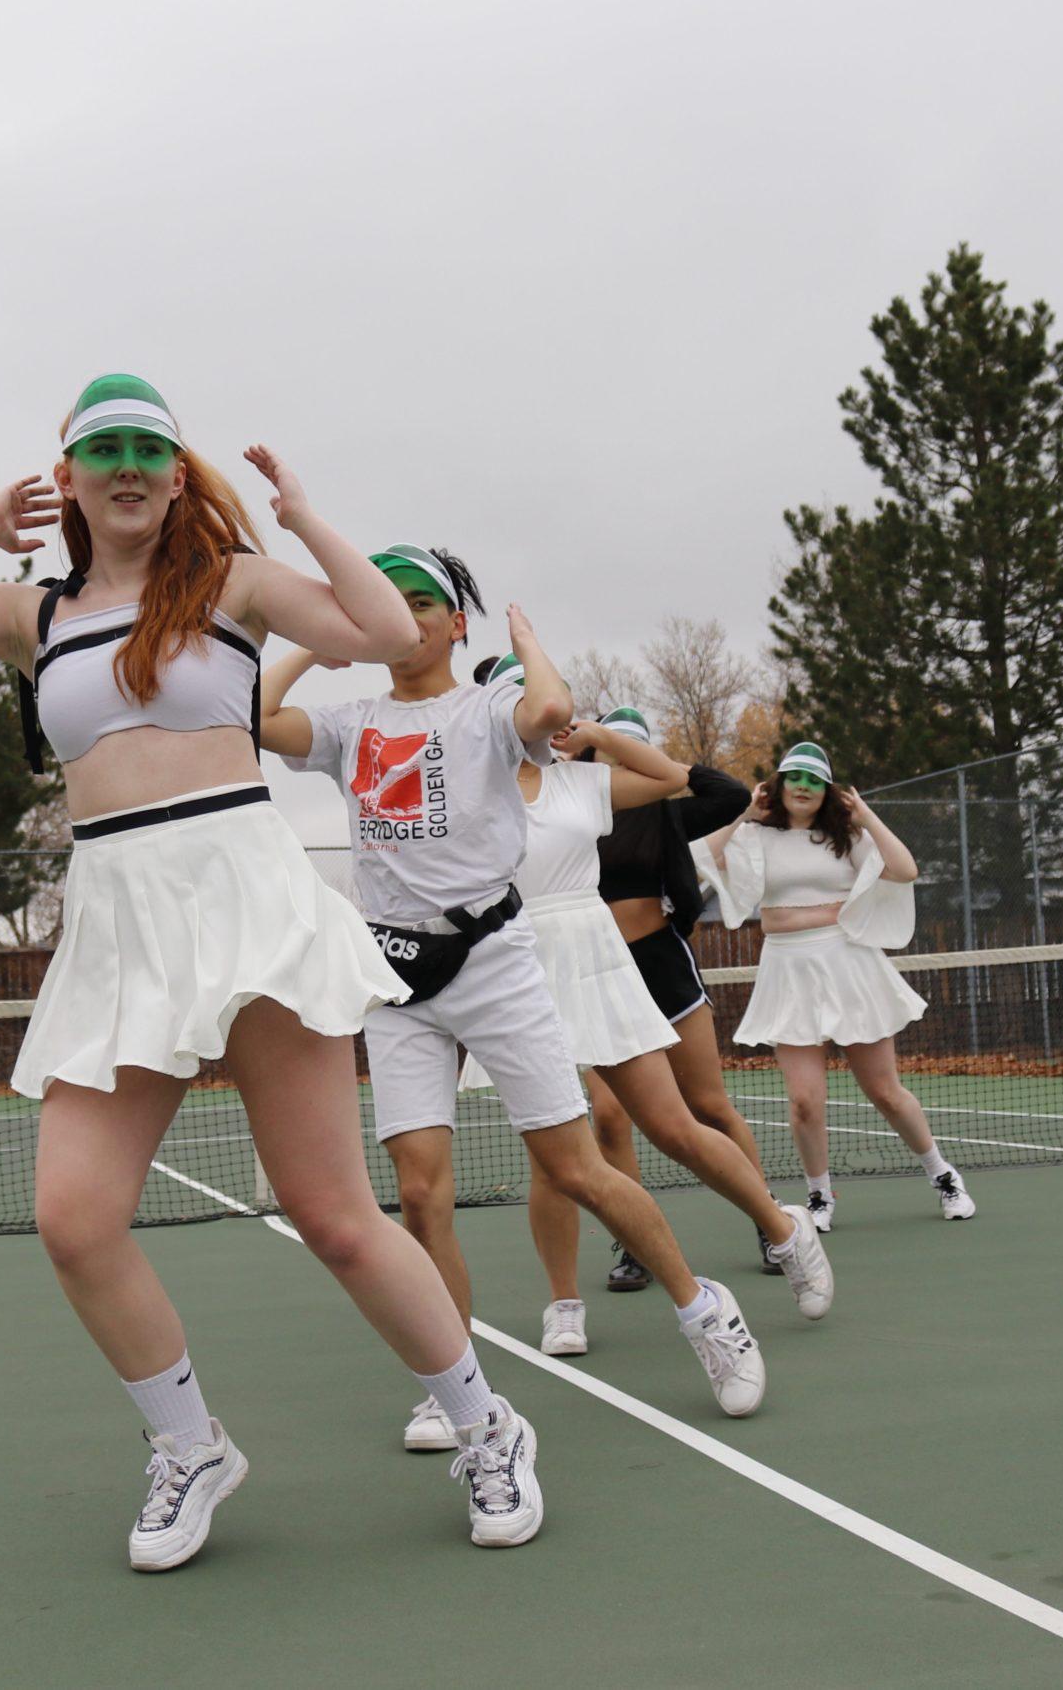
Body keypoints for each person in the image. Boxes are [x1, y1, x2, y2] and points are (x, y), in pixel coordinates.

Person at [0, 376, 539, 1568]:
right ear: (67, 477)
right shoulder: (35, 614)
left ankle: (487, 1426)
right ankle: (189, 1446)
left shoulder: (232, 585)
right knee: (73, 1219)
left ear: (176, 475)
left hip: (246, 899)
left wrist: (305, 517)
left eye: (147, 452)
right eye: (99, 450)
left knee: (332, 1214)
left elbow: (374, 631)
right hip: (120, 922)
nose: (125, 467)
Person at [259, 546, 773, 1453]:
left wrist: (527, 638)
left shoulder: (488, 707)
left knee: (578, 1168)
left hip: (496, 959)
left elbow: (549, 709)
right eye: (386, 604)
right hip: (396, 975)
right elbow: (253, 717)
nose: (405, 617)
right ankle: (451, 1382)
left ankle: (704, 1310)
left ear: (458, 622)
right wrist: (317, 640)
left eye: (423, 603)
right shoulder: (351, 723)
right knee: (419, 1194)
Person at [461, 666, 830, 1357]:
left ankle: (783, 1229)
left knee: (675, 1124)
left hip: (604, 964)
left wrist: (600, 736)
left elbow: (674, 780)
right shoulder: (473, 792)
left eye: (539, 707)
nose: (528, 718)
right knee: (552, 1155)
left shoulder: (585, 783)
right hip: (520, 972)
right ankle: (563, 1303)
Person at [700, 741, 976, 1225]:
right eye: (794, 778)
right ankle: (820, 1196)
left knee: (885, 1091)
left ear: (827, 791)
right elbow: (703, 857)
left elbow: (906, 870)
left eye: (814, 780)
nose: (803, 787)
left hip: (849, 964)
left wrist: (866, 816)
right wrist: (745, 812)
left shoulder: (847, 836)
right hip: (786, 969)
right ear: (779, 786)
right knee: (805, 1101)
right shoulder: (757, 837)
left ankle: (943, 1176)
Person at [563, 709, 791, 1288]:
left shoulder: (669, 812)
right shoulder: (572, 810)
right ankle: (636, 1242)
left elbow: (730, 792)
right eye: (613, 748)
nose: (621, 757)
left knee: (707, 1107)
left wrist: (617, 739)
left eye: (632, 747)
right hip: (596, 975)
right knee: (610, 1119)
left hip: (661, 967)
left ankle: (770, 1221)